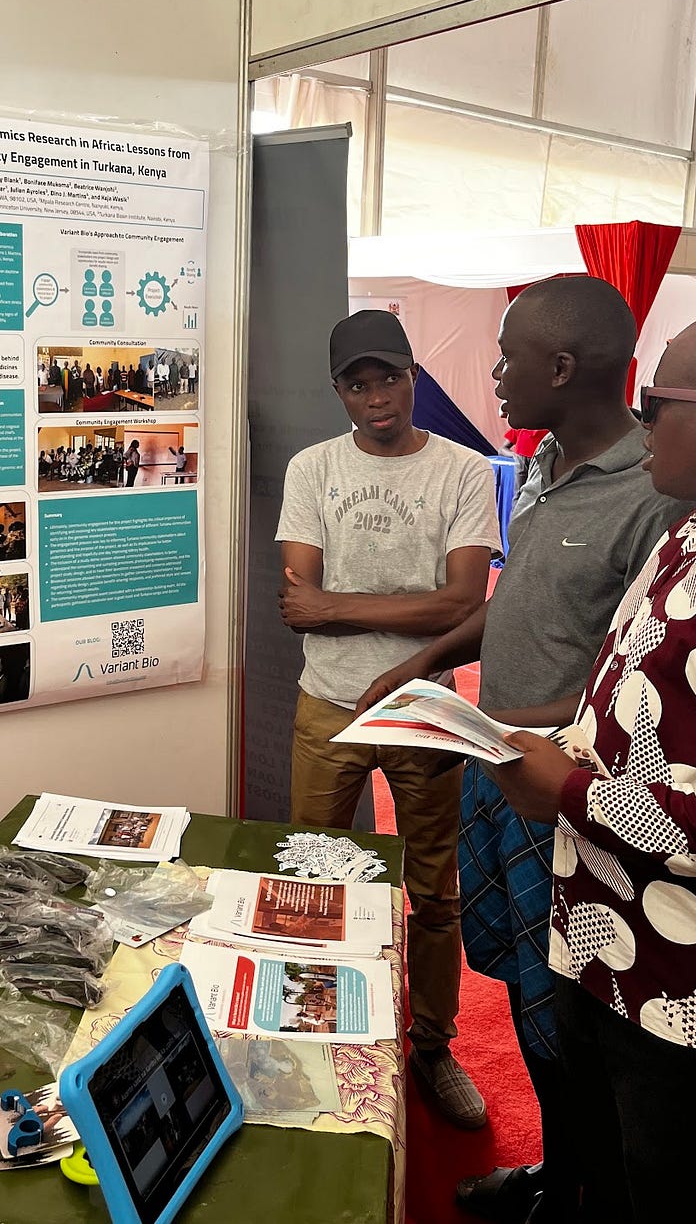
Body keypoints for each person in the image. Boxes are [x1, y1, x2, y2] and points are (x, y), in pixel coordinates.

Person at [357, 277, 688, 1223]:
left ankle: (585, 1192)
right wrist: (431, 665)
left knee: (571, 1017)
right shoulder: (541, 463)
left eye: (506, 359)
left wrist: (507, 731)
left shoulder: (654, 496)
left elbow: (630, 683)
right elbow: (521, 608)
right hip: (500, 767)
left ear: (561, 367)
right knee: (524, 992)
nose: (493, 376)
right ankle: (559, 1171)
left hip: (572, 797)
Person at [486, 312, 696, 1224]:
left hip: (687, 984)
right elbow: (628, 701)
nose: (641, 415)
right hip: (598, 933)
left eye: (658, 401)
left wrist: (571, 788)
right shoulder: (690, 531)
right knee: (606, 1168)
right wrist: (552, 752)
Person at [276, 308, 501, 1129]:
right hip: (326, 702)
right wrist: (402, 610)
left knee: (432, 891)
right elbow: (298, 607)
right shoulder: (313, 468)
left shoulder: (464, 471)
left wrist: (338, 603)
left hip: (424, 709)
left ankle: (433, 1045)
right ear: (339, 390)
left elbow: (463, 601)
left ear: (414, 377)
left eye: (389, 378)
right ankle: (317, 1032)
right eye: (357, 383)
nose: (375, 397)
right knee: (315, 879)